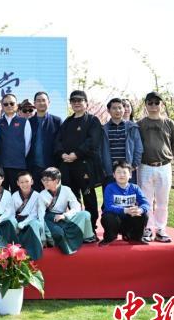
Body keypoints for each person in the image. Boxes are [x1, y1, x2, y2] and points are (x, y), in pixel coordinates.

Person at [53, 90, 104, 235]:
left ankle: (91, 228)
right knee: (72, 198)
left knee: (89, 197)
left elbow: (93, 141)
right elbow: (57, 141)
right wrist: (62, 154)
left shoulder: (92, 121)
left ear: (86, 103)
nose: (76, 103)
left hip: (85, 166)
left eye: (80, 100)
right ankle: (77, 227)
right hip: (67, 167)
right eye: (73, 101)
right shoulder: (67, 122)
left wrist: (76, 154)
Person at [137, 91, 174, 243]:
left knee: (162, 200)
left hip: (164, 166)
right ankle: (148, 228)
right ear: (146, 105)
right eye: (150, 103)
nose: (153, 105)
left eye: (157, 102)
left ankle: (161, 229)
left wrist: (166, 157)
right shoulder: (140, 124)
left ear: (162, 104)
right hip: (145, 166)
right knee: (146, 200)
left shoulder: (170, 124)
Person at [40, 167, 96, 255]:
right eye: (43, 180)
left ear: (56, 180)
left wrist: (65, 215)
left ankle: (88, 238)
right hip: (50, 220)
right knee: (59, 234)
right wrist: (43, 236)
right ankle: (61, 243)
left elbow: (76, 206)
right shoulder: (42, 195)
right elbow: (40, 215)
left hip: (64, 217)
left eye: (48, 180)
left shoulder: (66, 190)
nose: (45, 182)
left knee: (85, 214)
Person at [101, 161, 150, 246]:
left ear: (130, 175)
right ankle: (109, 238)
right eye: (118, 172)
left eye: (124, 172)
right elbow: (108, 206)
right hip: (115, 220)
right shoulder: (110, 187)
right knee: (108, 216)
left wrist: (140, 210)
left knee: (143, 215)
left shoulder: (135, 188)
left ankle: (135, 237)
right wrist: (125, 210)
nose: (122, 175)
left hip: (129, 220)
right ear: (114, 175)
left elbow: (145, 203)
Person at [101, 98, 143, 184]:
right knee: (110, 192)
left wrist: (134, 165)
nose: (118, 110)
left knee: (129, 192)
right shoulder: (103, 129)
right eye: (114, 108)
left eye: (120, 108)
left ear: (123, 109)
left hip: (128, 170)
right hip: (110, 172)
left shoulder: (132, 127)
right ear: (108, 110)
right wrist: (103, 168)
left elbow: (139, 148)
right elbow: (99, 150)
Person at [0, 93, 32, 193]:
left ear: (16, 105)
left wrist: (18, 156)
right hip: (1, 165)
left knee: (18, 194)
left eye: (12, 103)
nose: (9, 106)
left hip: (18, 165)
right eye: (6, 104)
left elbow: (27, 144)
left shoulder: (24, 122)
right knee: (2, 194)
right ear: (2, 106)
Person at [27, 91, 62, 191]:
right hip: (33, 167)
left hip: (52, 166)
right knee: (35, 195)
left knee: (52, 195)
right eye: (38, 101)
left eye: (44, 100)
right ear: (34, 103)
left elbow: (60, 143)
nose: (41, 103)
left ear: (49, 102)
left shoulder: (57, 121)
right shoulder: (29, 122)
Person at [9, 171, 45, 260]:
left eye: (27, 181)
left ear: (32, 181)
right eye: (22, 182)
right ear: (18, 183)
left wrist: (23, 223)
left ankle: (34, 254)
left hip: (30, 221)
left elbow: (34, 214)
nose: (25, 184)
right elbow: (11, 213)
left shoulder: (37, 195)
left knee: (35, 224)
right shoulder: (14, 195)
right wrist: (16, 224)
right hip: (18, 221)